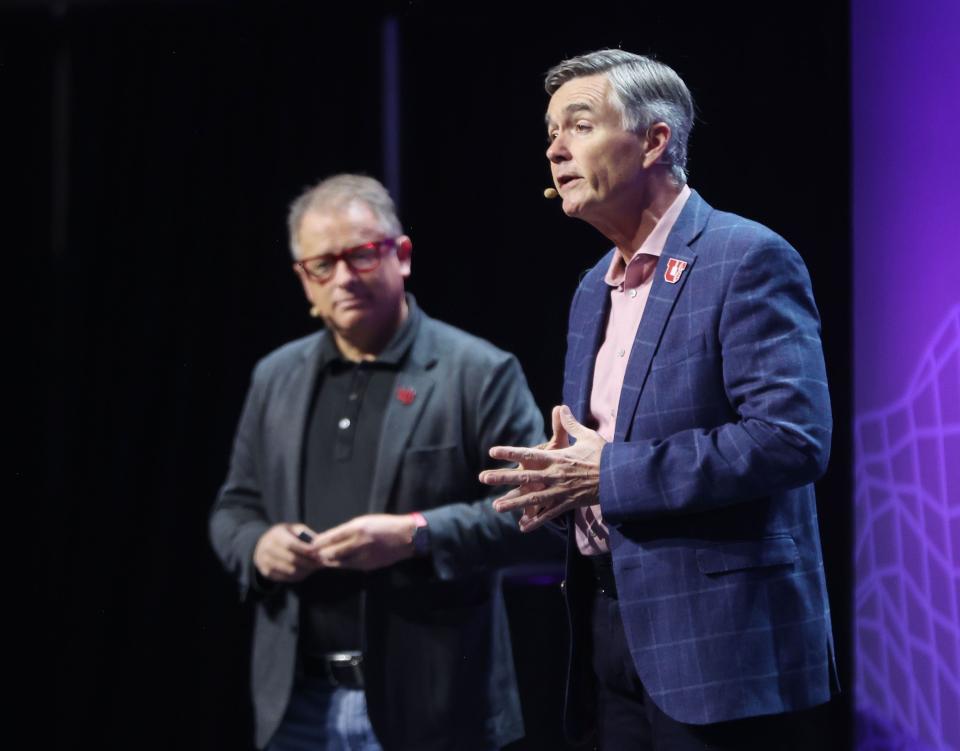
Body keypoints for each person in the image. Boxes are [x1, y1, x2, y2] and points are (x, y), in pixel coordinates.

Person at [479, 50, 839, 750]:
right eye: (551, 131)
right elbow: (600, 455)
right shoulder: (592, 287)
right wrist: (560, 488)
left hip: (721, 645)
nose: (555, 148)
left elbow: (791, 438)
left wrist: (606, 474)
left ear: (654, 140)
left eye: (579, 125)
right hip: (609, 629)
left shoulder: (746, 257)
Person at [210, 174, 552, 751]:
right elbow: (234, 507)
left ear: (403, 256)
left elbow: (539, 517)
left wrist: (415, 535)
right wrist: (257, 547)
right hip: (297, 704)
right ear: (305, 282)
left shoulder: (478, 371)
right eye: (322, 265)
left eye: (362, 255)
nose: (343, 277)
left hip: (434, 705)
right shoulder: (276, 377)